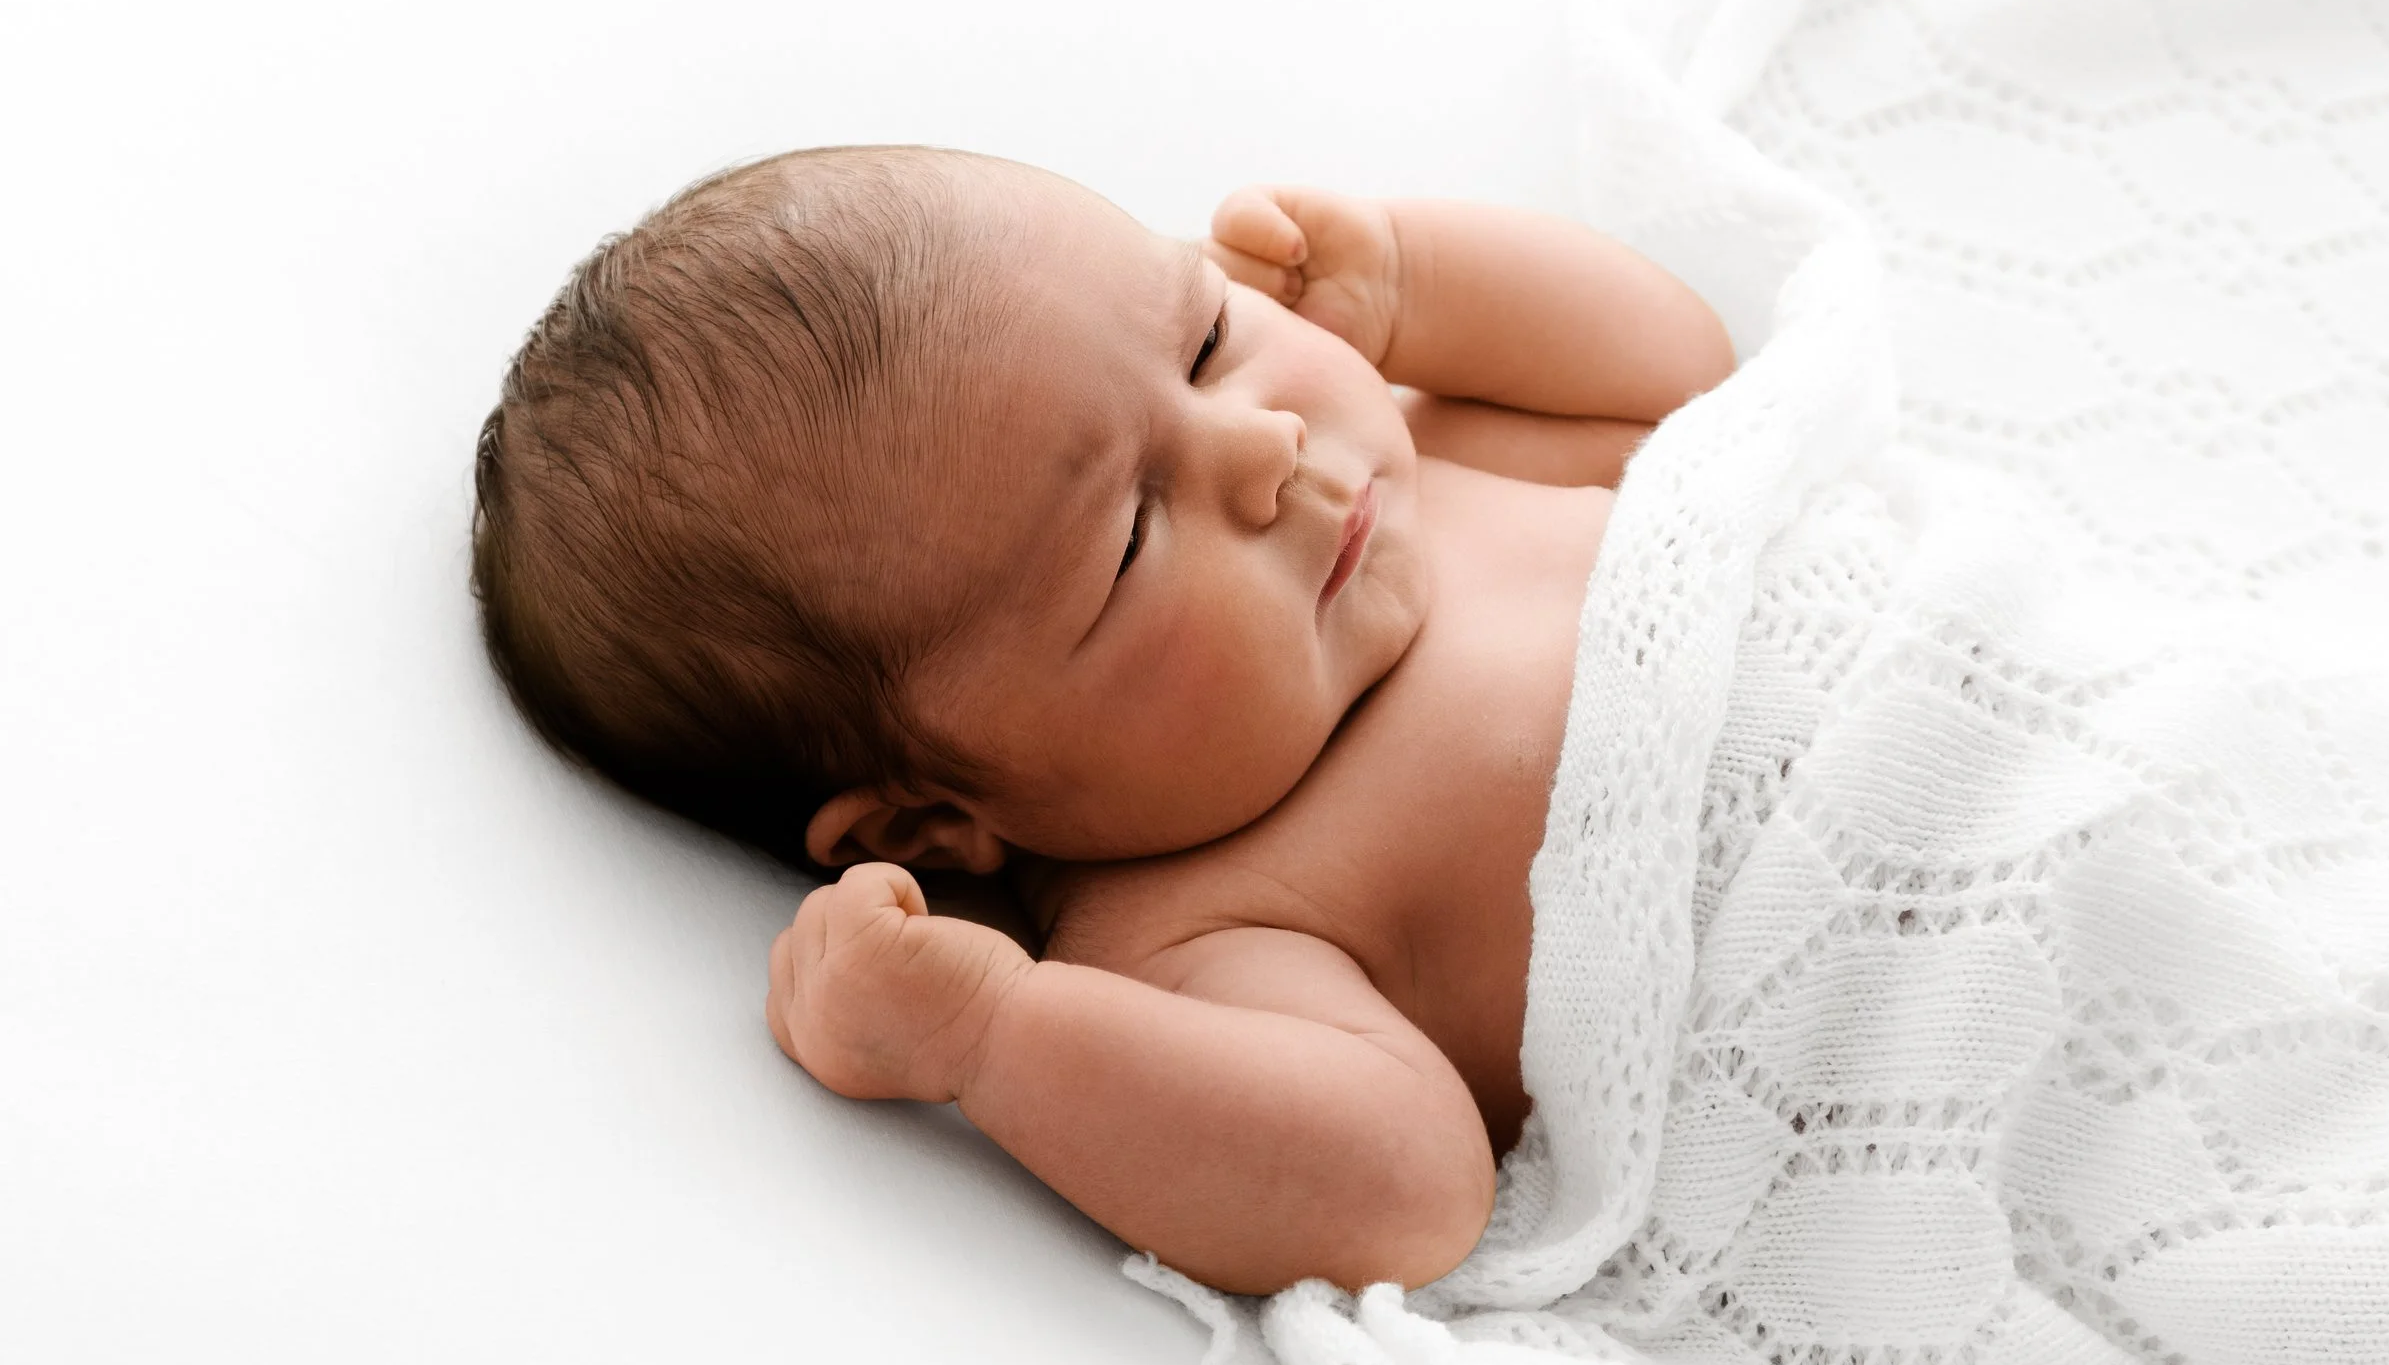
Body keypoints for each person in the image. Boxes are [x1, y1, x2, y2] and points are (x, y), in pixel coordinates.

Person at [470, 146, 1733, 1294]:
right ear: (925, 824)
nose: (1265, 444)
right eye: (1130, 536)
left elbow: (1686, 386)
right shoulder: (1187, 927)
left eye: (1206, 341)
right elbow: (1405, 1191)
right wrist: (985, 1034)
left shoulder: (1414, 465)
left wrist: (1410, 284)